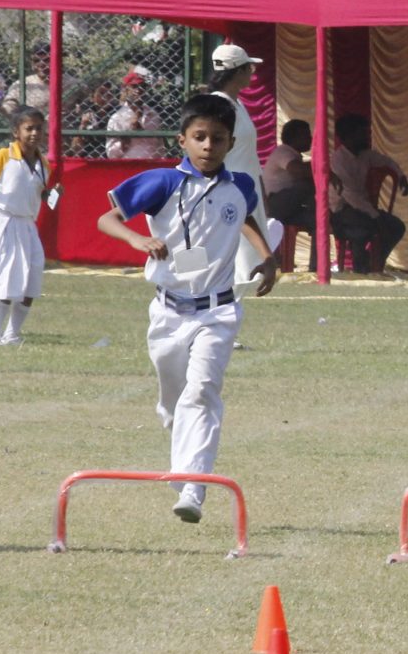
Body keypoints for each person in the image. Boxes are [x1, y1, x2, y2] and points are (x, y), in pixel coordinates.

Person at [97, 93, 280, 523]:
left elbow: (246, 217)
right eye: (200, 136)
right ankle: (181, 437)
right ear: (182, 139)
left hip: (218, 312)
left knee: (202, 393)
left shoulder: (241, 185)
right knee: (175, 403)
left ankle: (193, 488)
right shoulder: (162, 183)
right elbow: (107, 218)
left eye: (218, 138)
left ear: (231, 142)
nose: (208, 145)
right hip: (168, 313)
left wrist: (267, 257)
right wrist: (138, 239)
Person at [0, 107, 51, 345]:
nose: (34, 133)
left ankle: (12, 334)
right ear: (16, 132)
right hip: (5, 221)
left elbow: (38, 193)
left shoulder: (43, 163)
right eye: (28, 128)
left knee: (33, 274)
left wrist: (51, 195)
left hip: (27, 224)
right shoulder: (4, 156)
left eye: (38, 128)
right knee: (8, 276)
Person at [208, 43, 278, 290]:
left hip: (247, 189)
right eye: (249, 68)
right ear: (237, 71)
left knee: (249, 253)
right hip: (228, 189)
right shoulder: (218, 106)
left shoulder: (238, 105)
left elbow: (249, 154)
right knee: (234, 252)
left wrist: (260, 190)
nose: (252, 73)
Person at [327, 113, 408, 272]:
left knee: (397, 227)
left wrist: (401, 176)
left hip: (363, 208)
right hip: (341, 211)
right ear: (349, 136)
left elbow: (387, 162)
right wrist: (375, 216)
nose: (367, 137)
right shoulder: (338, 160)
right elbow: (350, 195)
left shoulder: (366, 155)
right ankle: (362, 268)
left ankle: (375, 262)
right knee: (363, 229)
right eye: (362, 133)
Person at [262, 120, 315, 238]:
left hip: (286, 206)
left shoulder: (293, 154)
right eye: (306, 135)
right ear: (294, 137)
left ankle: (318, 252)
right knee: (306, 184)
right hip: (274, 205)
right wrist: (321, 164)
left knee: (316, 219)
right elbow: (299, 170)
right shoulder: (283, 151)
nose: (310, 139)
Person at [104, 68, 164, 159]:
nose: (138, 90)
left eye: (142, 86)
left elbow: (160, 146)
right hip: (129, 164)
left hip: (152, 164)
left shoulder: (153, 114)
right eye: (134, 86)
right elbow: (111, 154)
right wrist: (128, 137)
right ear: (126, 89)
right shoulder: (117, 118)